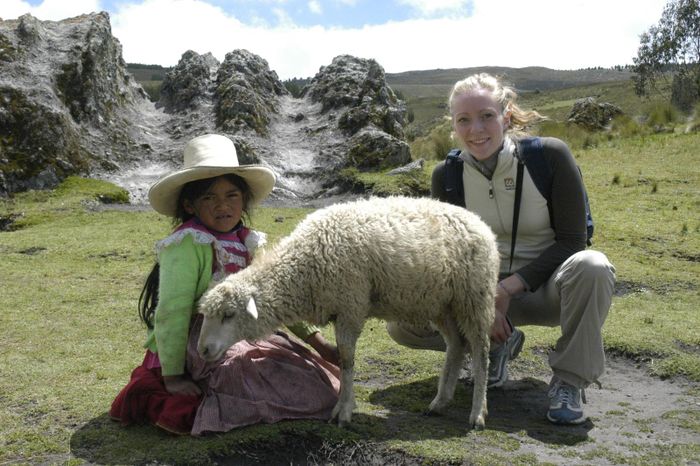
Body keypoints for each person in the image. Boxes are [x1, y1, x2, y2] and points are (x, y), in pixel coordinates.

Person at [386, 73, 616, 425]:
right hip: (483, 296)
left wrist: (507, 289)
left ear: (506, 116)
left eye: (486, 116)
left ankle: (569, 380)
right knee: (402, 322)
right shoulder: (445, 177)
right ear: (453, 126)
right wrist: (481, 302)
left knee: (593, 266)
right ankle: (496, 347)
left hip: (549, 290)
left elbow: (572, 241)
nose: (476, 129)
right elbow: (449, 257)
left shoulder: (549, 157)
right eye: (464, 120)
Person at [110, 134, 341, 436]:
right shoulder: (188, 243)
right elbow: (172, 311)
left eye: (231, 195)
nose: (223, 206)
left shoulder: (247, 241)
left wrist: (317, 342)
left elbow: (269, 300)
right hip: (195, 343)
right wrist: (174, 377)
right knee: (250, 379)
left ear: (243, 200)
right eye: (209, 197)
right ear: (189, 205)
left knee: (319, 384)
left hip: (242, 332)